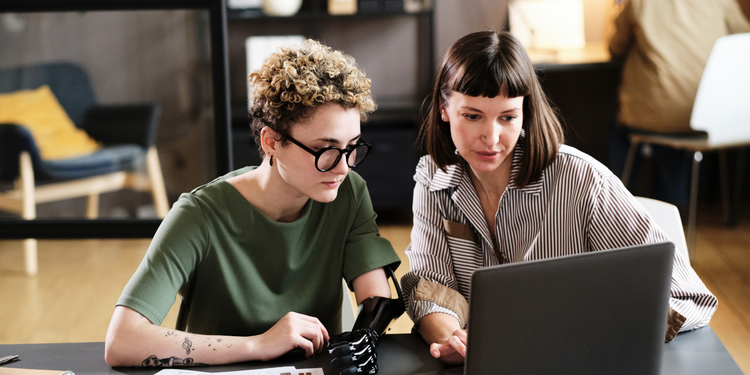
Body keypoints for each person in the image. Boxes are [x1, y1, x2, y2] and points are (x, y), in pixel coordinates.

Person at [400, 30, 718, 365]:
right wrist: (455, 342)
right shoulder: (432, 179)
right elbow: (432, 288)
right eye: (472, 115)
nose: (491, 138)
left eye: (507, 117)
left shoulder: (582, 180)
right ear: (444, 109)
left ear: (525, 112)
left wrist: (597, 334)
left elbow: (688, 297)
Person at [104, 39, 403, 369]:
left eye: (352, 148)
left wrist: (364, 339)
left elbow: (375, 299)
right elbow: (123, 341)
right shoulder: (198, 216)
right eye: (325, 149)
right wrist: (260, 345)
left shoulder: (349, 192)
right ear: (271, 141)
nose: (343, 166)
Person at [608, 0, 750, 209]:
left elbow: (615, 47)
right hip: (713, 117)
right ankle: (671, 205)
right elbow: (743, 39)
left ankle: (615, 206)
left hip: (658, 115)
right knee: (671, 138)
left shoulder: (639, 2)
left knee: (622, 128)